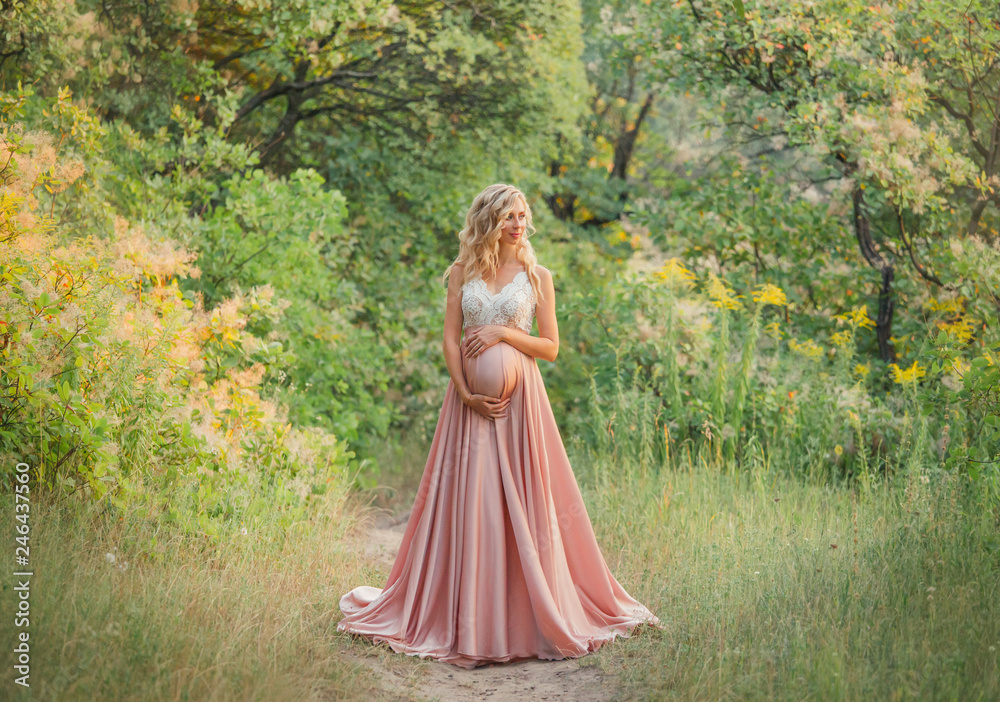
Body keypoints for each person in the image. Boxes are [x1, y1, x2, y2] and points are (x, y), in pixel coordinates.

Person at [337, 183, 661, 669]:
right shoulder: (461, 272)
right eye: (508, 215)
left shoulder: (538, 275)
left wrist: (504, 332)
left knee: (524, 509)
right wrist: (465, 392)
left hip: (521, 410)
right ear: (488, 219)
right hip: (467, 409)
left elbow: (551, 347)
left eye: (523, 215)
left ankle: (527, 616)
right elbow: (449, 340)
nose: (518, 223)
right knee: (474, 506)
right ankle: (470, 619)